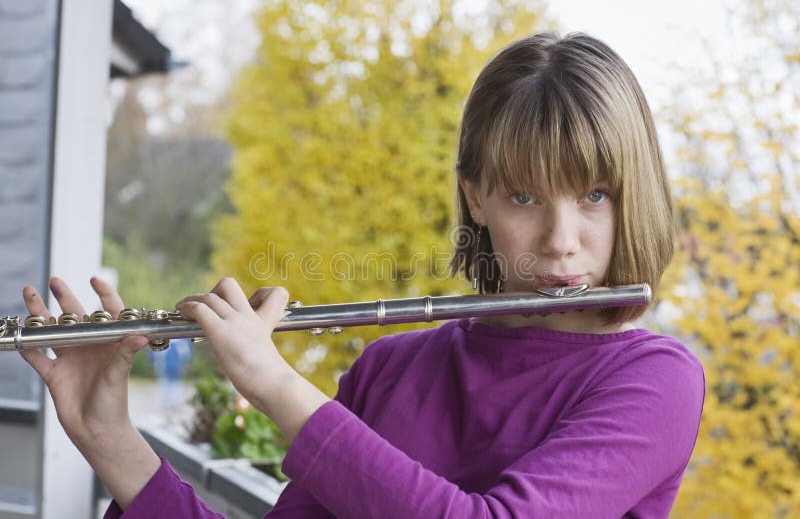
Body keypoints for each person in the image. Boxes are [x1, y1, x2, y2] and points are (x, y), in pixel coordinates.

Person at [20, 32, 704, 518]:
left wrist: (274, 384)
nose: (561, 242)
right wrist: (109, 436)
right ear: (476, 198)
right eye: (525, 197)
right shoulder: (392, 369)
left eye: (593, 196)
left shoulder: (654, 379)